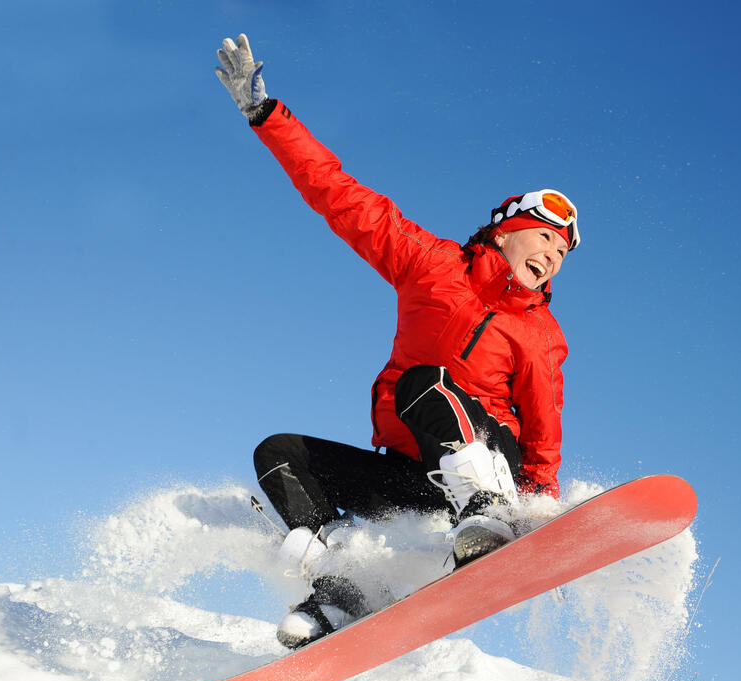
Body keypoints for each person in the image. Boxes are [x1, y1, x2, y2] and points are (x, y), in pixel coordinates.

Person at [215, 34, 580, 648]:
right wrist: (264, 113)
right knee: (280, 452)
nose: (553, 255)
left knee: (423, 384)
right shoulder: (430, 265)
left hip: (494, 467)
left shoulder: (539, 331)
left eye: (564, 252)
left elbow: (544, 424)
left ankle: (486, 513)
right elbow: (339, 196)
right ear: (505, 232)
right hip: (418, 478)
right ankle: (343, 586)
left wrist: (542, 510)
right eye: (544, 237)